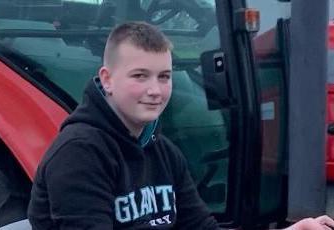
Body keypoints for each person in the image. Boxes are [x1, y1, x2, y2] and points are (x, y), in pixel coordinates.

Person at [27, 21, 334, 230]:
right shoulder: (80, 154)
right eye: (140, 76)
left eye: (164, 76)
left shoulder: (164, 152)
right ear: (107, 79)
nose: (156, 90)